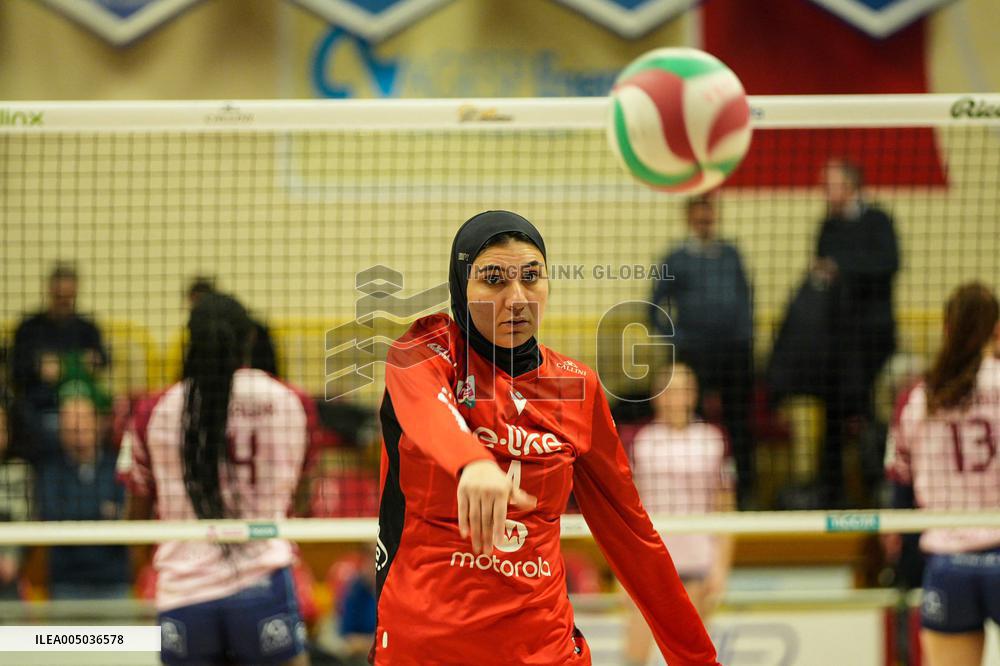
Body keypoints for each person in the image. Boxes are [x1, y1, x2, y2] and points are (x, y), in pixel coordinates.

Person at [373, 210, 719, 665]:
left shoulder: (577, 387)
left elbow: (633, 538)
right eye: (493, 279)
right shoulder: (426, 351)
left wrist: (697, 659)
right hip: (426, 645)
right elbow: (426, 411)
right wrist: (472, 463)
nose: (516, 298)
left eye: (531, 277)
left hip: (544, 647)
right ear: (461, 284)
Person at [122, 293, 310, 666]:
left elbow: (137, 512)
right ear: (249, 339)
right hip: (263, 580)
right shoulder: (289, 402)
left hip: (184, 588)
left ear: (190, 342)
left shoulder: (154, 409)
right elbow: (301, 495)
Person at [884, 282, 1000, 666]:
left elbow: (899, 479)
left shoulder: (918, 397)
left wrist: (903, 558)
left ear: (946, 328)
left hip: (947, 564)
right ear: (996, 330)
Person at [649, 193, 755, 508]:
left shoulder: (731, 254)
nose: (704, 218)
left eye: (709, 211)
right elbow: (653, 306)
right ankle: (692, 493)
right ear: (689, 217)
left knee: (739, 420)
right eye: (698, 212)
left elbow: (746, 297)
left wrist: (743, 336)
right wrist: (678, 339)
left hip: (734, 354)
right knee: (691, 418)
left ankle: (743, 491)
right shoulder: (676, 258)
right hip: (694, 354)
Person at [624, 365, 735, 666]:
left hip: (698, 561)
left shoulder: (711, 438)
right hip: (652, 561)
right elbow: (627, 511)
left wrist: (721, 567)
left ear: (693, 395)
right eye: (669, 390)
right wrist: (626, 569)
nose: (676, 397)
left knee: (693, 655)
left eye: (684, 390)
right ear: (657, 397)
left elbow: (725, 508)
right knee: (635, 654)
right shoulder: (641, 440)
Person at [813, 159, 899, 504]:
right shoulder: (827, 226)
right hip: (836, 341)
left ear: (849, 186)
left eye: (830, 184)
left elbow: (888, 264)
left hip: (873, 340)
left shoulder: (878, 220)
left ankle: (877, 488)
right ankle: (833, 493)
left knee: (866, 413)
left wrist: (842, 268)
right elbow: (820, 268)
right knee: (832, 416)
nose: (824, 192)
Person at [35, 383, 130, 600]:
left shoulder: (118, 467)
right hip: (65, 582)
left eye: (83, 417)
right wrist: (102, 511)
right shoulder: (49, 472)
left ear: (97, 423)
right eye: (69, 418)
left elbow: (126, 514)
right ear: (60, 427)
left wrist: (76, 512)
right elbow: (53, 515)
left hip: (114, 581)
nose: (77, 425)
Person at [9, 263, 109, 463]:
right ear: (50, 292)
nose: (64, 302)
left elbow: (104, 360)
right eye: (59, 297)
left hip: (82, 404)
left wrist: (94, 361)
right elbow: (15, 370)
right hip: (43, 404)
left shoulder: (87, 328)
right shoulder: (29, 328)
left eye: (68, 297)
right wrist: (38, 368)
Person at [0, 395, 32, 599]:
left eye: (1, 429)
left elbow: (24, 519)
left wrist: (11, 558)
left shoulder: (19, 471)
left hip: (8, 578)